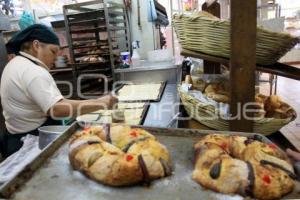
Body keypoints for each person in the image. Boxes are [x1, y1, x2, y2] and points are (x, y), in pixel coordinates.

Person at [0, 24, 118, 158]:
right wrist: (101, 103)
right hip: (32, 144)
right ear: (36, 45)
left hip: (15, 140)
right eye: (53, 51)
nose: (56, 58)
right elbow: (56, 109)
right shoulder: (32, 71)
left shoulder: (15, 64)